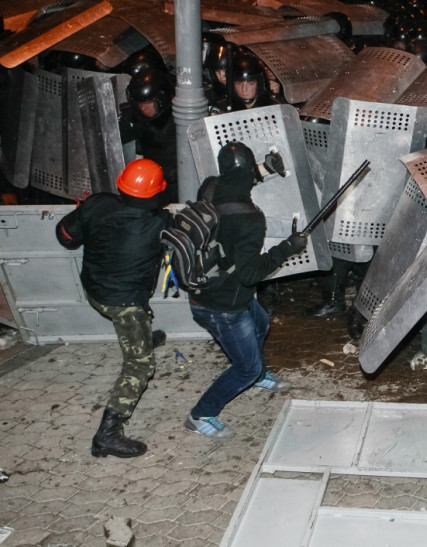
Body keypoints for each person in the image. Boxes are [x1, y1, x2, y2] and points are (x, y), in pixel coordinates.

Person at [184, 142, 308, 438]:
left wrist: (263, 169)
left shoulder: (210, 188)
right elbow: (251, 274)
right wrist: (286, 249)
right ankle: (201, 415)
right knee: (244, 368)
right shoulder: (250, 219)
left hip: (208, 288)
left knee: (262, 323)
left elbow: (240, 178)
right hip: (223, 306)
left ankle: (257, 373)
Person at [55, 159, 171, 458]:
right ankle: (107, 435)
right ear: (158, 193)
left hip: (95, 290)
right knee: (140, 365)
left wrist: (85, 212)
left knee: (135, 316)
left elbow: (65, 237)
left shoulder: (97, 203)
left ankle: (141, 337)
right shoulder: (161, 224)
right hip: (124, 303)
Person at [119, 68, 178, 202]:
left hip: (174, 182)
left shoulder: (178, 117)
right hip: (148, 182)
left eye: (148, 103)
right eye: (139, 104)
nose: (143, 108)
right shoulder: (134, 117)